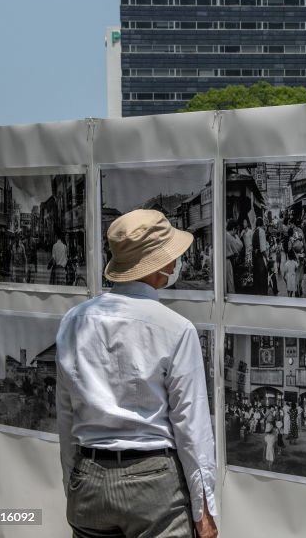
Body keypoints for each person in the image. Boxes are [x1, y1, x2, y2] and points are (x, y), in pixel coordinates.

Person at [55, 209, 218, 538]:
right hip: (154, 482)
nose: (176, 261)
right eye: (170, 254)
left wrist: (72, 480)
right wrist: (205, 510)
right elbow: (192, 427)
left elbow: (65, 415)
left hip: (89, 479)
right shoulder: (175, 328)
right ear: (159, 266)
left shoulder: (74, 321)